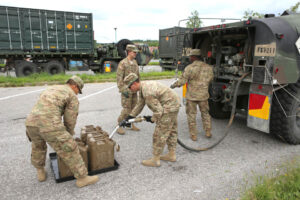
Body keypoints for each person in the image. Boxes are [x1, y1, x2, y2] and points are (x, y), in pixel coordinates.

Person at [25, 75, 99, 188]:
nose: (77, 93)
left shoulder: (52, 88)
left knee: (38, 146)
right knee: (70, 148)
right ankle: (82, 178)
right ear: (74, 86)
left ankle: (40, 171)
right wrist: (68, 135)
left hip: (31, 122)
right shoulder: (71, 95)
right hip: (49, 124)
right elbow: (70, 119)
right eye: (78, 90)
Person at [124, 73, 180, 167]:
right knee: (171, 130)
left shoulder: (147, 92)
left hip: (168, 107)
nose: (129, 90)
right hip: (173, 104)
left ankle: (155, 160)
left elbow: (158, 111)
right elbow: (140, 104)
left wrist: (152, 119)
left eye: (129, 88)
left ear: (133, 84)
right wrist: (130, 116)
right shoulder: (143, 86)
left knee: (159, 133)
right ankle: (171, 155)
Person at [170, 49, 214, 141]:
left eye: (190, 56)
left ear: (193, 57)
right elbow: (210, 79)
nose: (189, 58)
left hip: (192, 97)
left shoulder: (189, 68)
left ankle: (193, 135)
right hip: (203, 96)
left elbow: (182, 81)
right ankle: (208, 132)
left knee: (191, 115)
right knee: (205, 114)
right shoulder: (209, 67)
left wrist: (173, 85)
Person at [116, 44, 141, 135]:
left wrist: (139, 86)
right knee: (126, 109)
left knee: (134, 108)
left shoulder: (135, 62)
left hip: (134, 89)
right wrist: (122, 89)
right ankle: (118, 125)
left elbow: (138, 76)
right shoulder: (123, 63)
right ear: (129, 52)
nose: (135, 54)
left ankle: (130, 124)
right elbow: (119, 78)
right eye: (134, 52)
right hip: (126, 90)